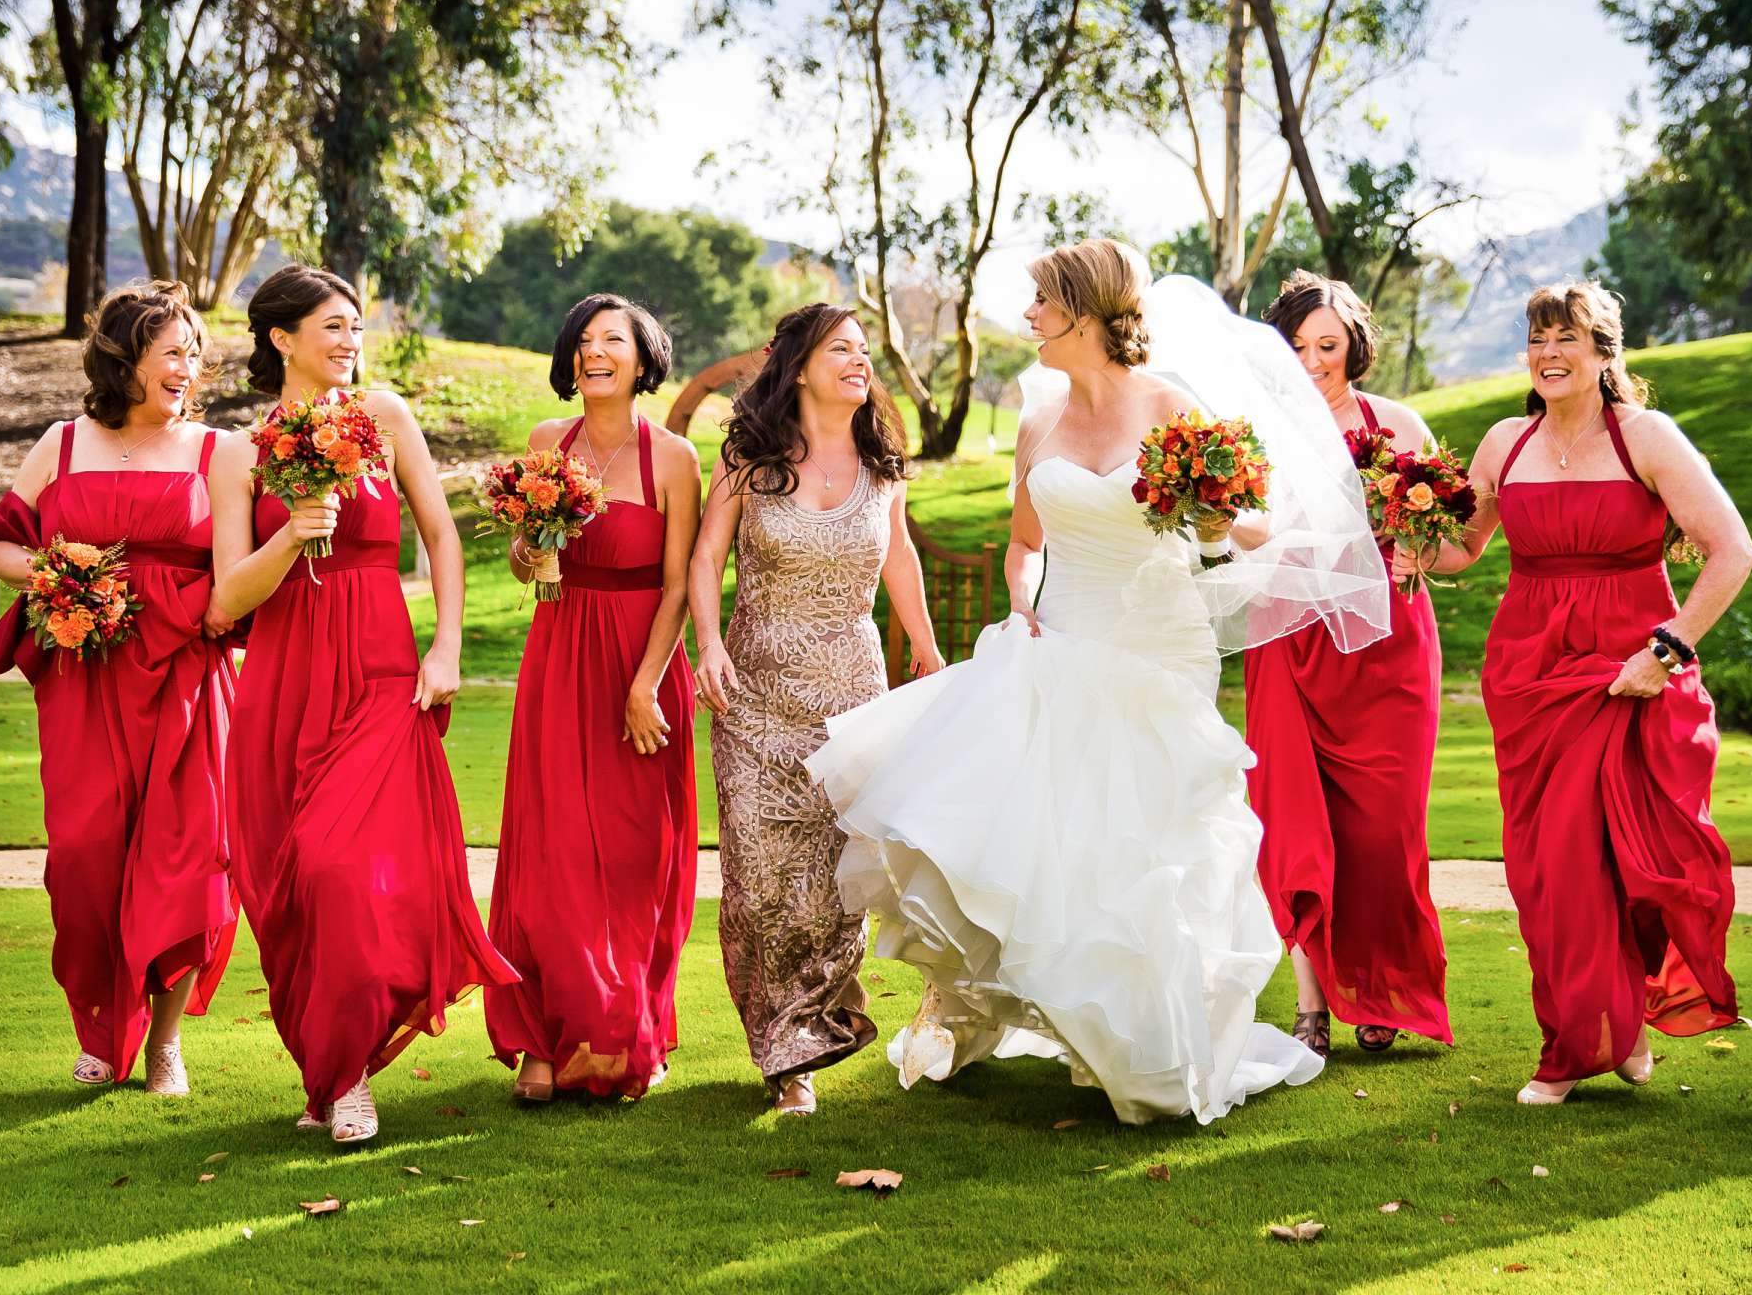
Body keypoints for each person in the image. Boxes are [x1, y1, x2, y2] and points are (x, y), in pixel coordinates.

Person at [807, 239, 1393, 1124]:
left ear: (1083, 313)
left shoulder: (1170, 405)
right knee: (1053, 833)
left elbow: (1246, 526)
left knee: (1145, 843)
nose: (1030, 319)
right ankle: (1057, 1015)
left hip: (1159, 644)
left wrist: (1218, 514)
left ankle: (1152, 1039)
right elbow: (1024, 545)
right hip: (1065, 636)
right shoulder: (1038, 422)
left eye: (1041, 303)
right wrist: (1021, 601)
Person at [1412, 281, 1752, 1105]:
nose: (1549, 353)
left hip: (1632, 672)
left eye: (1567, 337)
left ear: (1605, 352)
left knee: (1641, 865)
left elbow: (1733, 551)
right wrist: (1409, 545)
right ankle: (1576, 1041)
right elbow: (1464, 550)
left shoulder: (1648, 437)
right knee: (1550, 868)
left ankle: (1617, 1021)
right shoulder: (1503, 443)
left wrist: (1666, 652)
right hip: (1530, 671)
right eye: (1537, 338)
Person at [211, 264, 516, 1145]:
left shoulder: (384, 418)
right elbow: (227, 599)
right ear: (282, 339)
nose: (350, 342)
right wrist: (293, 528)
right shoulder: (237, 453)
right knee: (289, 887)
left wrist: (449, 644)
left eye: (355, 327)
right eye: (333, 327)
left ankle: (348, 1079)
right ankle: (323, 1071)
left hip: (384, 677)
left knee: (341, 870)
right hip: (283, 686)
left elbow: (440, 533)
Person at [0, 280, 236, 1095]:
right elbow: (2, 545)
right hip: (86, 676)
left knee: (187, 859)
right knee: (85, 862)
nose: (188, 367)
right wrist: (59, 571)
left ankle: (167, 1043)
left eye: (194, 352)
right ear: (125, 359)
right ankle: (101, 1027)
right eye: (171, 352)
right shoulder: (63, 442)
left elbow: (238, 570)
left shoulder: (217, 452)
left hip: (186, 673)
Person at [689, 303, 942, 1117]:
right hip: (756, 698)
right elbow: (706, 557)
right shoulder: (746, 459)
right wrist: (709, 643)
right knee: (761, 882)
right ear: (799, 368)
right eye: (841, 350)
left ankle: (813, 1029)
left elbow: (898, 557)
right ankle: (780, 1051)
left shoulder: (884, 464)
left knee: (837, 886)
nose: (860, 362)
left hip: (851, 704)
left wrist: (929, 650)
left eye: (866, 351)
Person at [488, 294, 702, 1103]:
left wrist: (646, 685)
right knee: (549, 854)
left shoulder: (675, 458)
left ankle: (623, 1032)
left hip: (641, 666)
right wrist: (526, 544)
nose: (593, 352)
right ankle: (540, 1039)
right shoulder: (549, 444)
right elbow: (525, 563)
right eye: (581, 341)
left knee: (634, 856)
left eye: (612, 339)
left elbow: (680, 584)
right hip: (560, 656)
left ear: (644, 358)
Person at [1243, 270, 1451, 1059]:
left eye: (1327, 345)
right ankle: (1311, 1004)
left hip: (1388, 648)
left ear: (1353, 346)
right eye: (1296, 347)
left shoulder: (1397, 424)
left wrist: (1415, 550)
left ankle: (1384, 991)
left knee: (1385, 832)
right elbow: (1236, 528)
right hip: (1288, 640)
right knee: (1294, 821)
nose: (1313, 362)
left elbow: (1450, 534)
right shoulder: (1251, 431)